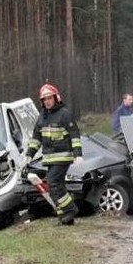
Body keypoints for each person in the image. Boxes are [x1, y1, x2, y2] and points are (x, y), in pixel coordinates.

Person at [26, 82, 83, 225]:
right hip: (50, 158)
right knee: (56, 187)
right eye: (44, 99)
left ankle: (70, 209)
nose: (47, 101)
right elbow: (36, 138)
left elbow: (74, 135)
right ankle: (66, 218)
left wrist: (78, 154)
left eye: (49, 98)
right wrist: (29, 154)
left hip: (63, 157)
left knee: (53, 184)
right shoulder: (42, 117)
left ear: (56, 98)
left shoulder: (65, 114)